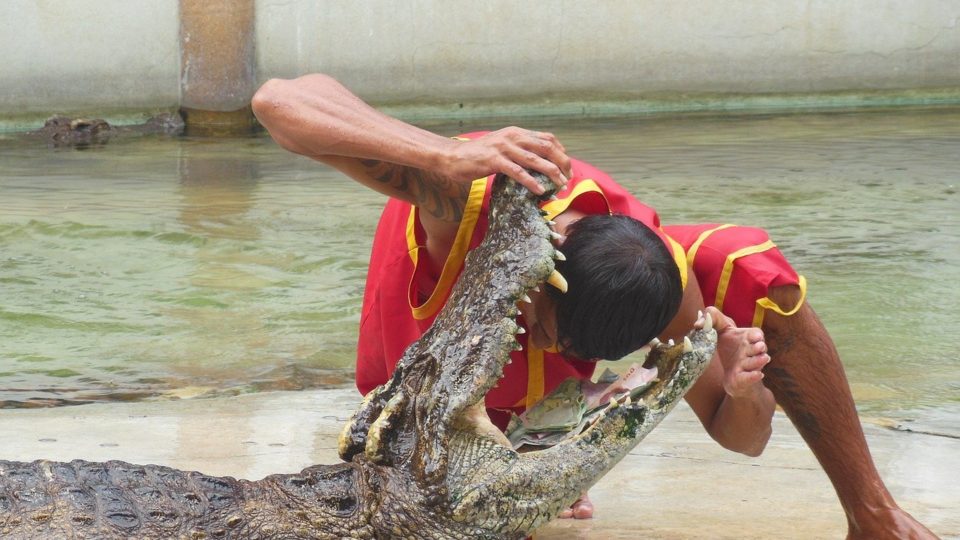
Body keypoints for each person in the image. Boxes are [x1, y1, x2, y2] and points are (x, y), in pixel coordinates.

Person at [251, 73, 938, 539]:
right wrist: (441, 156)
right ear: (545, 280)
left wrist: (742, 386)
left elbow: (742, 438)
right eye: (552, 334)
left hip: (549, 380)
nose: (554, 352)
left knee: (745, 261)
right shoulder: (463, 199)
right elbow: (279, 100)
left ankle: (871, 511)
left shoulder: (660, 282)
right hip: (429, 351)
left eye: (576, 353)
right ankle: (520, 439)